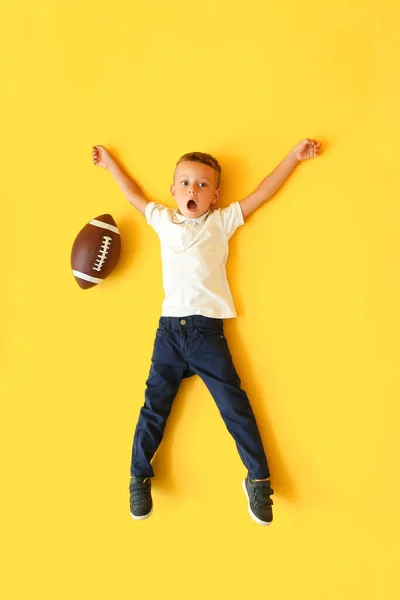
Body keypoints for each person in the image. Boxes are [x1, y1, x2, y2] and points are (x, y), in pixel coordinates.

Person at [92, 139, 321, 525]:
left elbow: (263, 191)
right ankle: (137, 477)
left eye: (201, 185)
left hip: (206, 333)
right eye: (184, 182)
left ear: (215, 195)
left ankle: (259, 480)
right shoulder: (162, 220)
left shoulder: (222, 221)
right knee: (154, 409)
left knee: (235, 408)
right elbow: (132, 194)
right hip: (168, 332)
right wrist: (110, 163)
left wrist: (293, 158)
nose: (191, 190)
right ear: (172, 191)